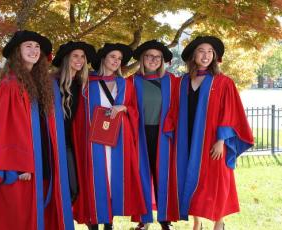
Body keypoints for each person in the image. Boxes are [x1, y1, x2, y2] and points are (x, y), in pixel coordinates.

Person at [0, 30, 74, 230]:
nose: (34, 50)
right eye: (28, 46)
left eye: (37, 46)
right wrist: (20, 166)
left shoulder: (41, 83)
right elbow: (6, 128)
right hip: (24, 165)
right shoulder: (11, 84)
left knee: (42, 214)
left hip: (43, 159)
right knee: (21, 216)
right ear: (17, 51)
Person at [164, 36, 254, 230]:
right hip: (187, 141)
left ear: (215, 56)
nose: (205, 55)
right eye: (201, 51)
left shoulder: (223, 82)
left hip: (212, 142)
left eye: (209, 52)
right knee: (190, 178)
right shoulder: (182, 82)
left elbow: (229, 112)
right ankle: (197, 223)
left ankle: (219, 223)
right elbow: (173, 110)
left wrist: (222, 139)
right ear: (193, 56)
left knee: (215, 182)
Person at [72, 43, 147, 230]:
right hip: (93, 141)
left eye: (119, 59)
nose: (116, 61)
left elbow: (135, 111)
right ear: (103, 58)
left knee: (113, 180)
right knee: (95, 178)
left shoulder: (125, 84)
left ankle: (109, 223)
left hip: (119, 142)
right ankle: (94, 222)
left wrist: (124, 108)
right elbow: (78, 115)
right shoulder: (87, 84)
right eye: (113, 57)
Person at [131, 40, 179, 230]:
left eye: (157, 57)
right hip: (140, 135)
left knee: (163, 177)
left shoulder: (171, 81)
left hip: (164, 134)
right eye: (149, 56)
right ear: (142, 59)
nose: (153, 59)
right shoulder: (132, 81)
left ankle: (165, 220)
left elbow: (178, 107)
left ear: (162, 61)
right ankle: (144, 220)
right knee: (142, 175)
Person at [52, 41, 96, 203]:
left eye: (83, 57)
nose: (80, 60)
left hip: (72, 142)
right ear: (66, 59)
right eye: (75, 56)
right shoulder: (52, 82)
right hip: (53, 141)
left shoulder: (82, 84)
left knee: (74, 188)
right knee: (62, 188)